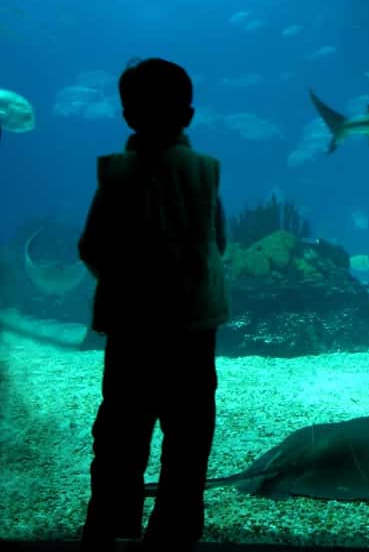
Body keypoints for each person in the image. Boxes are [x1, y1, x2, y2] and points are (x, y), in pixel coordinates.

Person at [77, 57, 229, 551]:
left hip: (132, 329)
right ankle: (174, 533)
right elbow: (218, 242)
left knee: (121, 433)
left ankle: (110, 526)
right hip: (193, 330)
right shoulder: (204, 172)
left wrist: (125, 282)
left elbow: (93, 245)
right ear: (188, 115)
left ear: (127, 115)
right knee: (189, 437)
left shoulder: (117, 173)